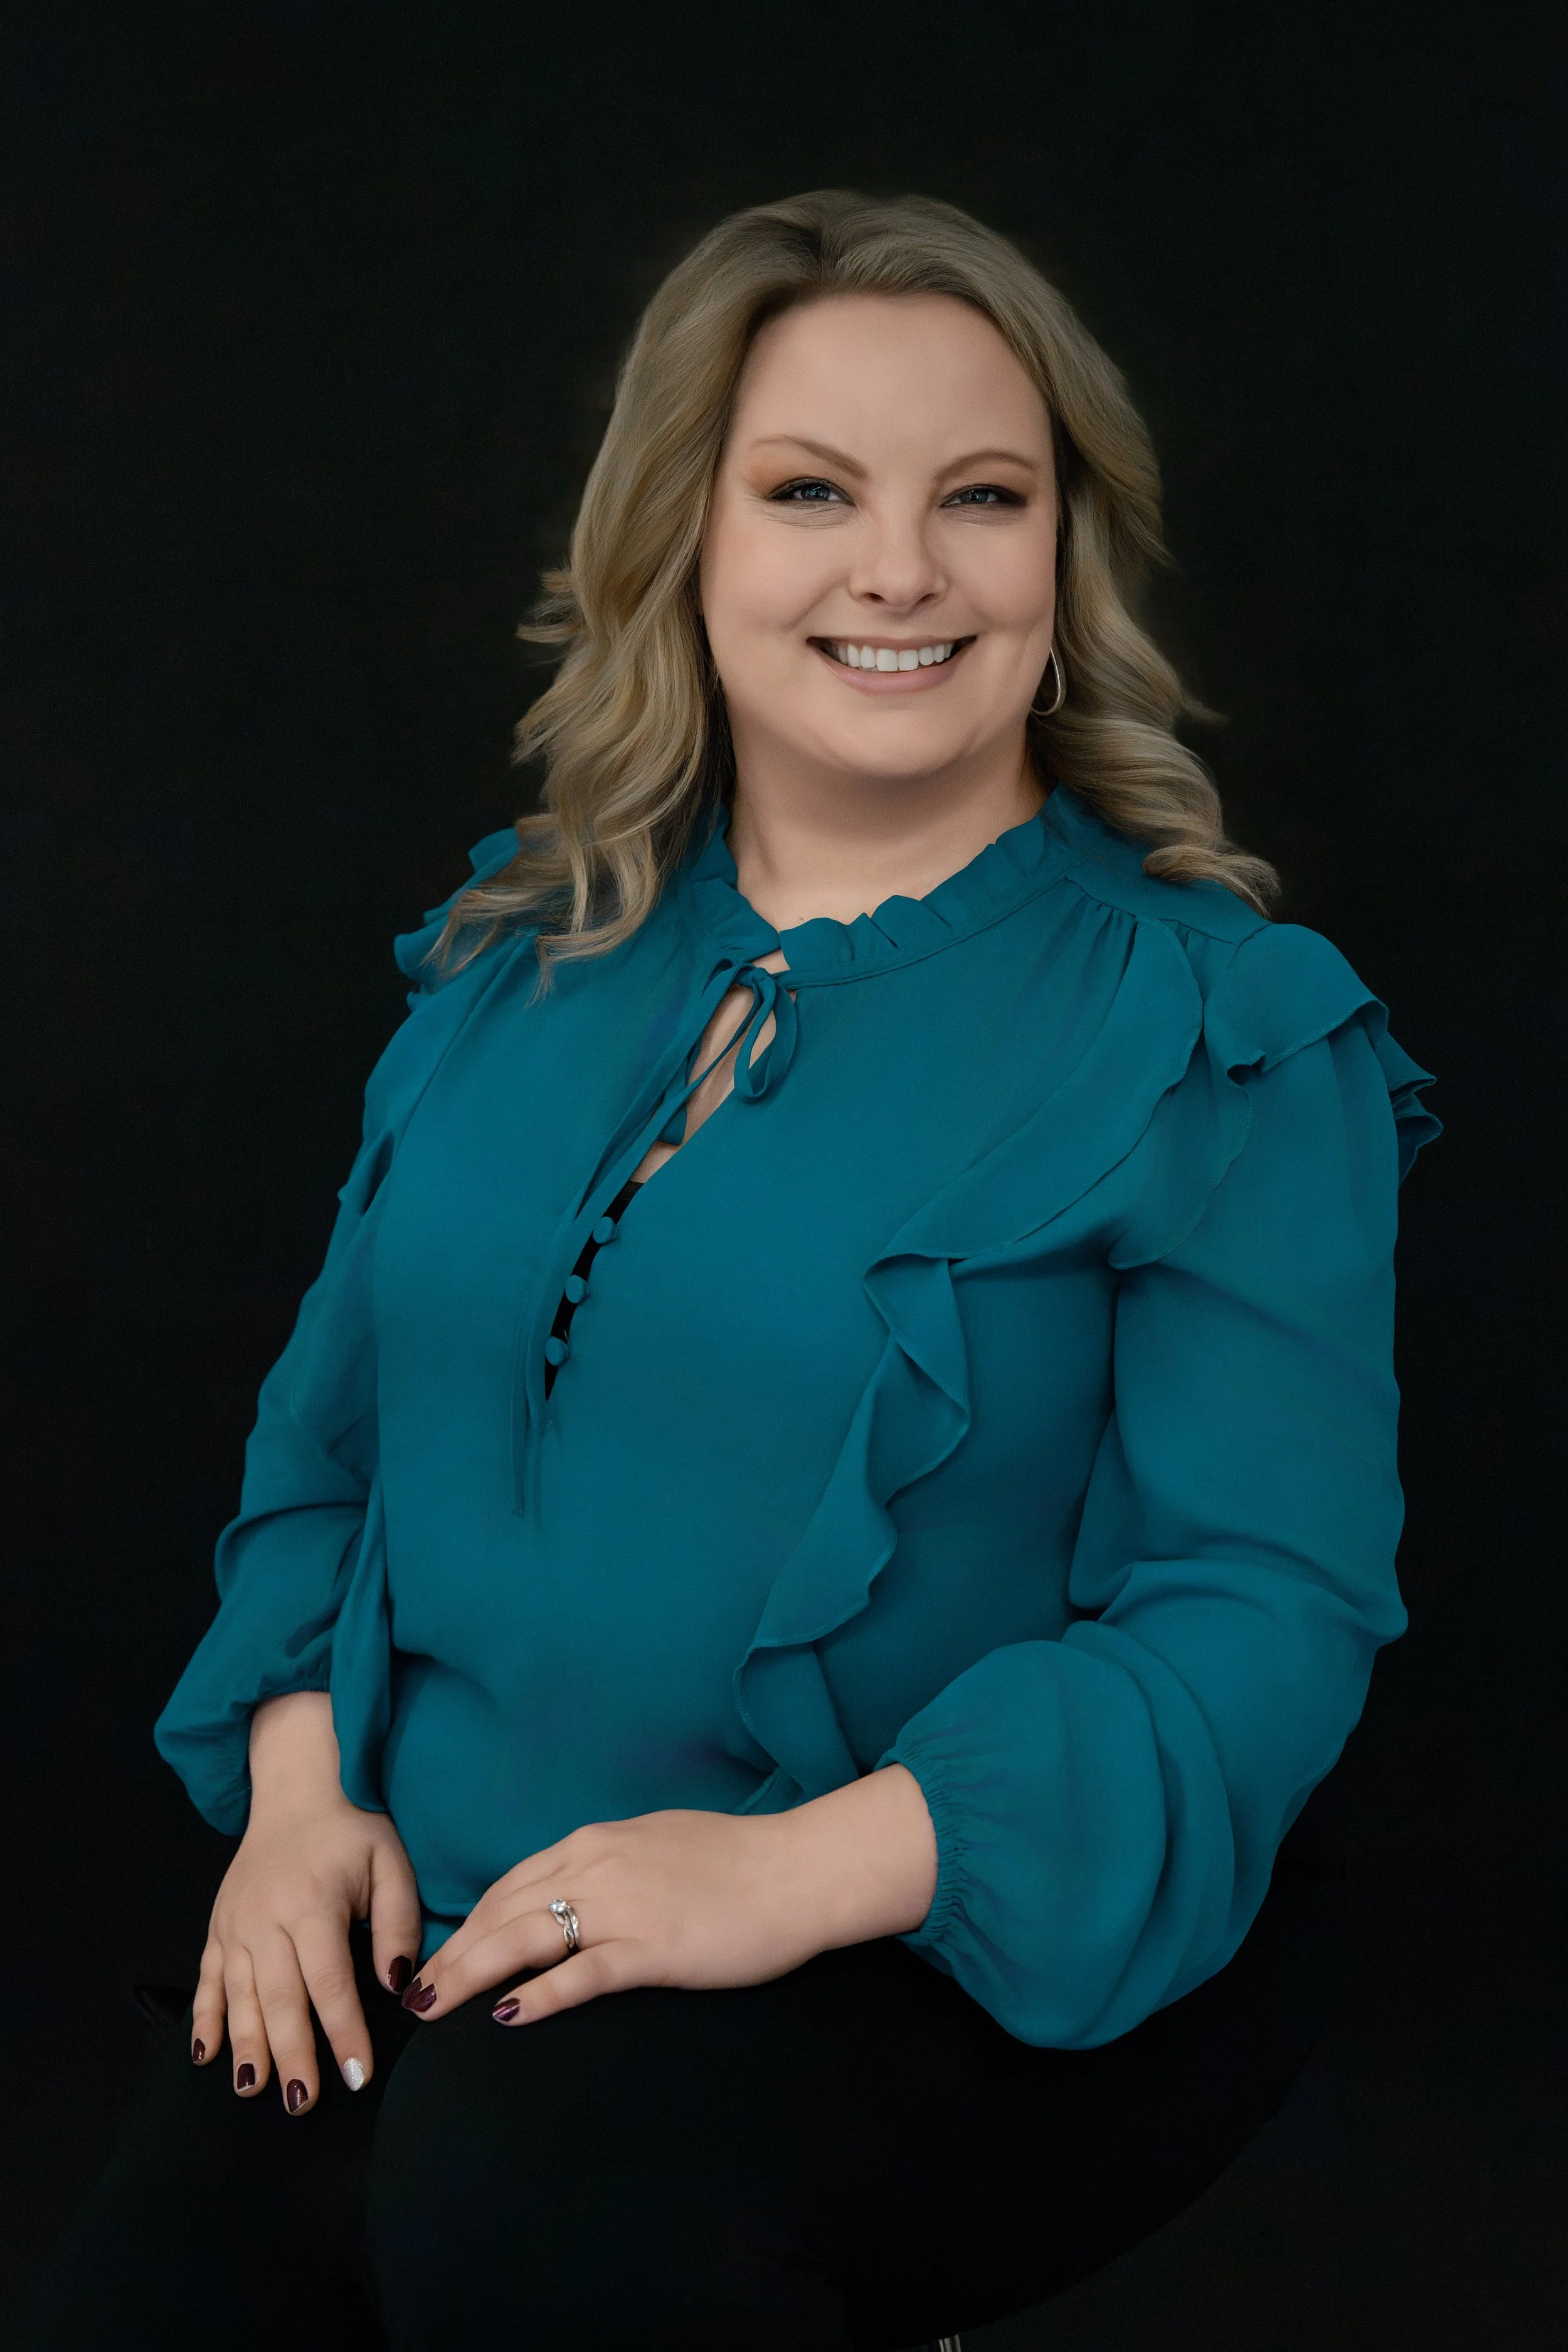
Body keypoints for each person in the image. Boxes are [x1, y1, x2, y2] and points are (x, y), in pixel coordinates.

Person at [28, 189, 1438, 2351]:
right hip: (474, 1897)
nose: (900, 571)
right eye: (810, 492)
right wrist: (300, 1810)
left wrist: (774, 1875)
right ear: (683, 537)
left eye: (983, 497)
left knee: (524, 2200)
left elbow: (1262, 1620)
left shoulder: (1218, 1027)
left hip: (961, 1930)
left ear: (1065, 556)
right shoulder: (523, 953)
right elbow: (326, 1457)